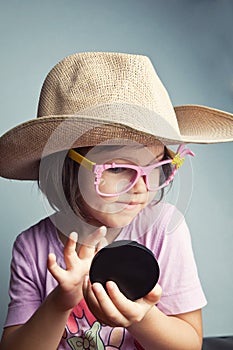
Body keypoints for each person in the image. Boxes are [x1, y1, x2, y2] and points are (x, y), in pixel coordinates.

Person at [0, 52, 232, 350]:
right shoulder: (32, 247)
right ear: (62, 169)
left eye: (157, 167)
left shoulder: (163, 229)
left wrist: (140, 317)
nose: (142, 187)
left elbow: (189, 344)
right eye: (119, 168)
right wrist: (61, 302)